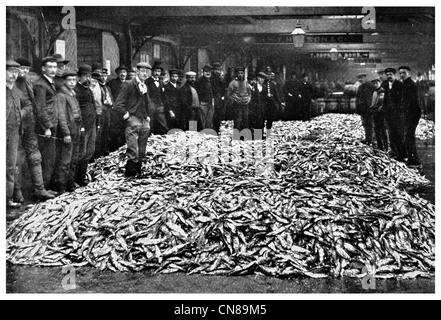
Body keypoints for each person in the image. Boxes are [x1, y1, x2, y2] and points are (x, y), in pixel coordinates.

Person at [13, 57, 56, 202]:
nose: (23, 71)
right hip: (14, 126)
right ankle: (16, 193)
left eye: (26, 69)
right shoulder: (9, 86)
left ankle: (40, 189)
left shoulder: (27, 83)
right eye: (21, 69)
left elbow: (32, 104)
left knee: (35, 157)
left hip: (29, 125)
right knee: (15, 160)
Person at [114, 62, 152, 177]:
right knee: (133, 149)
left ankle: (138, 173)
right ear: (137, 71)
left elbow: (147, 103)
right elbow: (118, 104)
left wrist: (148, 115)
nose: (145, 74)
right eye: (142, 71)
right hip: (133, 119)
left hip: (143, 120)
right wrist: (126, 115)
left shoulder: (145, 86)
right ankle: (130, 174)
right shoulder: (128, 84)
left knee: (142, 149)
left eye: (147, 72)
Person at [6, 60, 33, 208]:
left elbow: (28, 104)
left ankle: (8, 198)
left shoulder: (16, 90)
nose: (13, 75)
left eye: (16, 72)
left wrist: (20, 114)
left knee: (11, 166)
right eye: (10, 72)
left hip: (14, 133)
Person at [52, 69, 83, 194]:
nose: (72, 82)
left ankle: (70, 184)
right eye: (69, 80)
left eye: (74, 80)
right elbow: (61, 116)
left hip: (76, 129)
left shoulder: (73, 93)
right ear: (64, 81)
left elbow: (78, 113)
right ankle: (61, 187)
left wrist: (81, 127)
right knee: (65, 161)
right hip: (68, 131)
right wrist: (66, 133)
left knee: (74, 159)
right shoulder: (61, 95)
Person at [33, 56, 60, 191]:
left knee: (52, 157)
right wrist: (47, 127)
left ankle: (47, 186)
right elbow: (40, 108)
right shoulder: (40, 84)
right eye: (50, 67)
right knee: (47, 158)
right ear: (43, 69)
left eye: (55, 67)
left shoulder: (50, 82)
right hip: (46, 127)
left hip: (53, 123)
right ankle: (43, 188)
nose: (53, 70)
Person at [74, 64, 97, 186]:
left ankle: (82, 175)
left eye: (89, 75)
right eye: (85, 76)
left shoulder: (88, 89)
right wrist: (81, 126)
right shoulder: (76, 90)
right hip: (83, 126)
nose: (88, 78)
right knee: (81, 153)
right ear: (79, 77)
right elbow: (76, 110)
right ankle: (77, 178)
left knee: (89, 151)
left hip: (91, 124)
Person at [399, 66, 422, 167]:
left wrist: (407, 113)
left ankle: (415, 161)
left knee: (409, 137)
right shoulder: (404, 84)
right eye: (400, 73)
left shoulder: (411, 85)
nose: (401, 75)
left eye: (404, 73)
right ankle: (411, 158)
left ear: (408, 73)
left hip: (411, 115)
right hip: (408, 114)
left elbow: (414, 103)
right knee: (408, 137)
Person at [382, 67, 406, 161]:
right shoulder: (384, 85)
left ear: (394, 75)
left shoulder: (400, 85)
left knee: (399, 134)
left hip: (397, 114)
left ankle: (402, 154)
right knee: (391, 133)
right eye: (387, 75)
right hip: (388, 113)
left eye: (390, 74)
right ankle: (394, 152)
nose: (388, 76)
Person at [108, 65, 129, 152]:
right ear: (117, 74)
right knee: (116, 131)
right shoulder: (112, 83)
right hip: (116, 111)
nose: (122, 74)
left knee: (125, 130)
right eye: (121, 73)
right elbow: (109, 95)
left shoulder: (129, 83)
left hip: (126, 111)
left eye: (124, 72)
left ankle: (124, 149)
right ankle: (114, 150)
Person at [145, 62, 170, 135]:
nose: (157, 73)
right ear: (152, 71)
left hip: (160, 107)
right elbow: (147, 96)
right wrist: (149, 105)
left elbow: (164, 96)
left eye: (159, 71)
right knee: (150, 125)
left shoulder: (161, 82)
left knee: (163, 125)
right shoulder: (147, 81)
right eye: (155, 71)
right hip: (151, 107)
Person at [226, 67, 252, 134]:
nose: (240, 75)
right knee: (238, 121)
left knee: (245, 119)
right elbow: (229, 94)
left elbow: (249, 93)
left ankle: (245, 136)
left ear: (243, 74)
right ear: (236, 74)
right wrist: (235, 100)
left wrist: (248, 99)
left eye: (241, 73)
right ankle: (237, 136)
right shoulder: (232, 83)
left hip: (245, 105)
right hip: (237, 105)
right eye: (239, 73)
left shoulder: (246, 83)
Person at [356, 73, 375, 145]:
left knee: (371, 124)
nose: (360, 80)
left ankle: (372, 140)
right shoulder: (360, 87)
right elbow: (358, 98)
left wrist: (372, 107)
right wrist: (358, 109)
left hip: (369, 109)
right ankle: (367, 138)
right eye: (359, 78)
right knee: (365, 124)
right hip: (363, 109)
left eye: (362, 78)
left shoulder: (370, 85)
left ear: (365, 78)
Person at [370, 78, 388, 151]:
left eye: (376, 83)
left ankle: (385, 146)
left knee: (382, 129)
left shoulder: (381, 91)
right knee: (377, 129)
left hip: (379, 113)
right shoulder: (375, 91)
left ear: (379, 83)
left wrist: (374, 107)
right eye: (374, 84)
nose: (375, 85)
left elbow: (380, 102)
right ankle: (380, 146)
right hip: (375, 112)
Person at [195, 64, 215, 130]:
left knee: (209, 121)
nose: (208, 73)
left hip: (210, 104)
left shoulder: (212, 81)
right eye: (206, 71)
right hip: (202, 104)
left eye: (209, 71)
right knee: (202, 121)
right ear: (203, 72)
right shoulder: (199, 81)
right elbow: (197, 93)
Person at [249, 72, 267, 138]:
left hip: (262, 107)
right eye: (261, 78)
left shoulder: (264, 87)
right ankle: (255, 135)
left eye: (263, 79)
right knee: (255, 121)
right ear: (258, 78)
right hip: (255, 107)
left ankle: (260, 135)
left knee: (261, 120)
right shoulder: (254, 87)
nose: (262, 80)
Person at [211, 62, 226, 134]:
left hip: (219, 99)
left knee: (218, 116)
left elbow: (223, 88)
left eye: (219, 70)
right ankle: (213, 130)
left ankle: (217, 129)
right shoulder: (211, 79)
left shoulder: (220, 79)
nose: (218, 71)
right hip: (213, 98)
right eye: (216, 70)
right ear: (213, 70)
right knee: (213, 116)